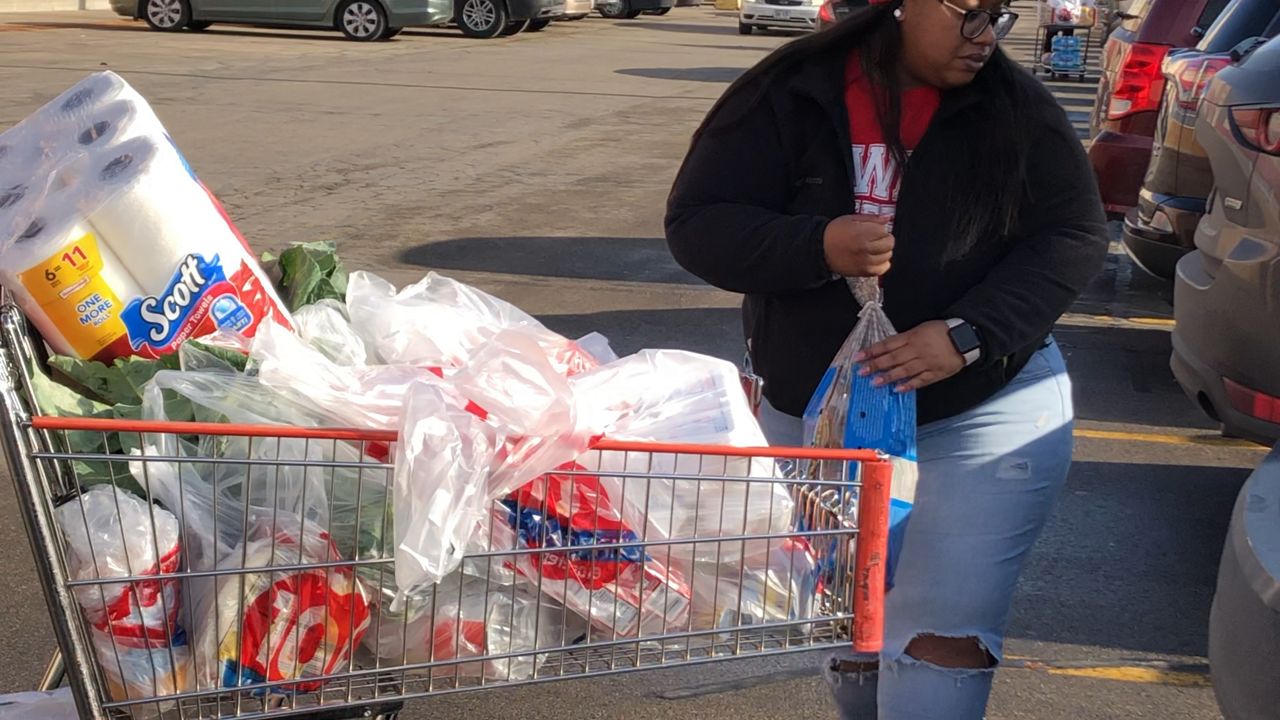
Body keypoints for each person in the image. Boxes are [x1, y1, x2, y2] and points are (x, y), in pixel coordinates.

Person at [664, 0, 1108, 717]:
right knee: (855, 629)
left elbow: (1073, 235)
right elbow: (698, 223)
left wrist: (967, 335)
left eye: (999, 16)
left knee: (939, 634)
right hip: (825, 422)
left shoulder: (1015, 107)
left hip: (980, 411)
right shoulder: (790, 92)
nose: (986, 37)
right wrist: (817, 245)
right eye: (969, 14)